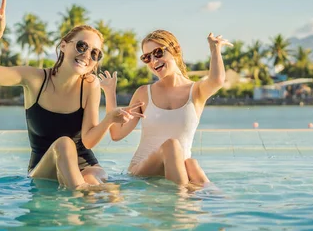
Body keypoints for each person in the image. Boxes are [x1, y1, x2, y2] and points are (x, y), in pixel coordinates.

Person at [0, 0, 143, 189]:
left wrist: (109, 118)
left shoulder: (90, 85)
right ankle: (81, 194)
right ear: (63, 45)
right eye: (81, 46)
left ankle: (94, 203)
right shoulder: (34, 79)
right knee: (64, 144)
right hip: (44, 171)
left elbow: (88, 140)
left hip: (86, 166)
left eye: (95, 53)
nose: (86, 55)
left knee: (94, 179)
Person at [99, 29, 232, 186]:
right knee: (172, 145)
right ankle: (182, 201)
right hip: (142, 170)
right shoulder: (143, 93)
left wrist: (214, 49)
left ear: (176, 49)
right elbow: (117, 134)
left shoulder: (196, 92)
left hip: (179, 169)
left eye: (158, 53)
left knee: (192, 165)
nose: (154, 61)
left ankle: (214, 199)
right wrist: (109, 93)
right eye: (147, 58)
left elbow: (217, 80)